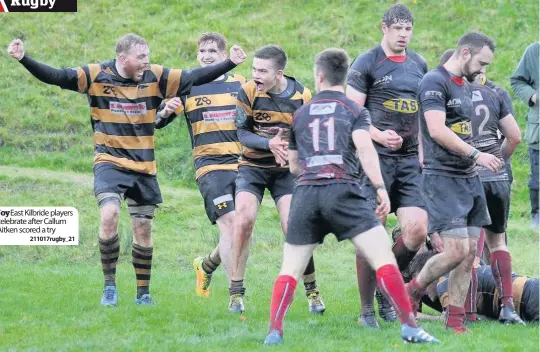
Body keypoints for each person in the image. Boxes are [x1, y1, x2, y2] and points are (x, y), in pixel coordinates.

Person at [7, 34, 246, 306]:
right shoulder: (96, 75)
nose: (147, 61)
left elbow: (193, 76)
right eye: (141, 57)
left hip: (143, 165)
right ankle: (109, 286)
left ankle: (143, 294)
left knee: (143, 228)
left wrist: (230, 63)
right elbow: (57, 76)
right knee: (109, 214)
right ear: (124, 59)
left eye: (147, 56)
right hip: (109, 161)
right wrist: (23, 58)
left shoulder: (155, 76)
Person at [263, 48, 438, 346]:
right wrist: (380, 188)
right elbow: (366, 149)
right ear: (345, 78)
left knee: (290, 267)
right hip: (343, 190)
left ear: (319, 76)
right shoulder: (355, 110)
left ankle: (274, 332)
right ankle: (409, 326)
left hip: (306, 193)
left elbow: (292, 165)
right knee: (382, 256)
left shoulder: (300, 114)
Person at [405, 31, 501, 333]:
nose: (483, 70)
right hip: (443, 177)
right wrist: (477, 154)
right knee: (456, 250)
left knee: (471, 252)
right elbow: (435, 129)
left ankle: (455, 321)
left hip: (468, 178)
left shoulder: (464, 85)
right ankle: (412, 291)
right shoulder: (435, 81)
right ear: (464, 53)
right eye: (481, 62)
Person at [346, 4, 428, 327]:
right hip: (375, 159)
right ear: (384, 28)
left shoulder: (419, 64)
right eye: (398, 29)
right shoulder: (366, 63)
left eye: (408, 29)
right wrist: (379, 135)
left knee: (418, 230)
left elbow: (424, 114)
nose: (404, 35)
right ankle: (367, 311)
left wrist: (423, 154)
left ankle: (385, 284)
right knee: (371, 234)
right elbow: (352, 116)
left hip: (409, 161)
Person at [229, 44, 325, 314]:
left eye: (262, 71)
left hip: (285, 172)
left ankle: (312, 291)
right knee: (244, 219)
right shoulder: (247, 91)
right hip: (252, 167)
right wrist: (268, 143)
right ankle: (236, 292)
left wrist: (293, 155)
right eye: (253, 69)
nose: (255, 75)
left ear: (279, 73)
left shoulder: (302, 95)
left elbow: (307, 136)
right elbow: (242, 132)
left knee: (292, 226)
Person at [155, 32, 246, 298]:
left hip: (242, 165)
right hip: (209, 165)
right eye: (202, 51)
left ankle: (205, 265)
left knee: (239, 230)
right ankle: (236, 295)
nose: (206, 56)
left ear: (223, 55)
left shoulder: (241, 83)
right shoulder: (187, 85)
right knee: (230, 226)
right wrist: (166, 110)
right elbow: (157, 122)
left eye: (212, 52)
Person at [439, 49, 524, 325]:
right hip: (498, 177)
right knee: (498, 241)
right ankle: (508, 307)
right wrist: (499, 160)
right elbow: (514, 137)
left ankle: (470, 312)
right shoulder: (497, 92)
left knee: (471, 248)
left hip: (468, 176)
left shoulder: (450, 96)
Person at [402, 247, 539, 323]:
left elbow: (449, 318)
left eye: (420, 280)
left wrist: (418, 316)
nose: (421, 289)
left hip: (528, 298)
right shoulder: (465, 268)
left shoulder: (446, 282)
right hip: (530, 290)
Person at [510, 42, 540, 229]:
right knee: (538, 178)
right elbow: (517, 80)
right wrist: (533, 96)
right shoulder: (535, 51)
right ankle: (537, 216)